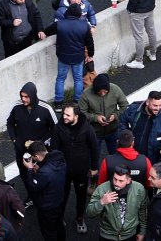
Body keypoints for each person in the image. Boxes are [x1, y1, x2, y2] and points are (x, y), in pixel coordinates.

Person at [52, 103, 99, 233]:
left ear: (76, 116)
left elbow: (94, 148)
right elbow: (54, 150)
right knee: (61, 196)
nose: (64, 117)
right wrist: (55, 168)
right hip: (63, 170)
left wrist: (94, 167)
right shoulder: (58, 128)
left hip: (81, 170)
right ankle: (60, 217)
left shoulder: (87, 128)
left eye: (68, 115)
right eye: (64, 114)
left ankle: (80, 218)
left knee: (81, 196)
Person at [120, 91, 161, 165]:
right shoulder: (133, 109)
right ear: (147, 102)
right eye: (155, 105)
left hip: (153, 162)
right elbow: (122, 121)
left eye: (160, 105)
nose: (158, 108)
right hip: (131, 156)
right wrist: (125, 138)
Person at [87, 165, 148, 241]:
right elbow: (89, 213)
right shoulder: (102, 189)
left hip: (129, 235)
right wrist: (101, 202)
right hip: (107, 235)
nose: (116, 183)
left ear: (128, 180)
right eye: (115, 179)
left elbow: (142, 211)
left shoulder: (139, 189)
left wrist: (142, 232)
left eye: (121, 181)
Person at [51, 1, 94, 104]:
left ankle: (58, 101)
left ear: (68, 13)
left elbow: (46, 31)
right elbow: (90, 43)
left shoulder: (59, 24)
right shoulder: (85, 26)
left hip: (63, 56)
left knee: (60, 79)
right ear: (79, 14)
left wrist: (41, 32)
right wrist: (90, 55)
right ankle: (77, 101)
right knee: (78, 79)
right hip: (78, 57)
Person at [23, 141, 67, 241]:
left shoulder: (44, 172)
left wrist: (30, 169)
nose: (33, 160)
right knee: (59, 226)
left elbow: (33, 186)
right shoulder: (59, 157)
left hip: (47, 208)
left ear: (37, 156)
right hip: (59, 201)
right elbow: (50, 174)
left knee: (49, 232)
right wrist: (39, 169)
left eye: (33, 158)